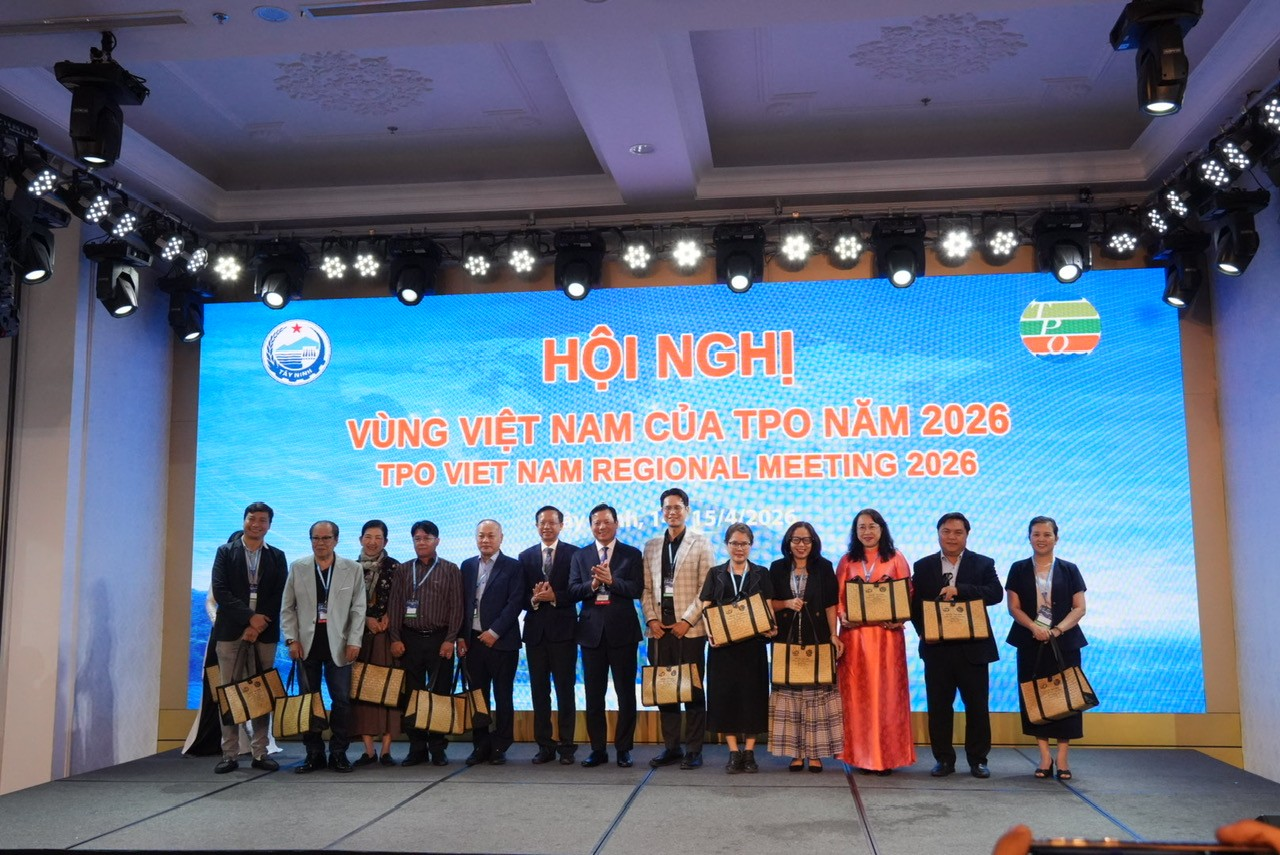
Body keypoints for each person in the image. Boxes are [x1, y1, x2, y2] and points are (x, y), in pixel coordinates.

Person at [910, 512, 1002, 779]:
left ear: (967, 535)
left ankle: (978, 760)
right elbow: (915, 606)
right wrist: (924, 632)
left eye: (958, 532)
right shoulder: (923, 565)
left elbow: (995, 593)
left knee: (977, 707)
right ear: (938, 533)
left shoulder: (983, 563)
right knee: (939, 707)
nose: (951, 537)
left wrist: (960, 590)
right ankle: (943, 759)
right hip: (937, 649)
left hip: (973, 649)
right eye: (946, 532)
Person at [1005, 515, 1088, 780]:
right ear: (1029, 537)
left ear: (1056, 538)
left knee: (1067, 698)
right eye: (1036, 534)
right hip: (1030, 640)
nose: (1041, 539)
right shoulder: (1018, 568)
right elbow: (1013, 607)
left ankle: (1062, 758)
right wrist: (1034, 627)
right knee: (1035, 698)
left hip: (1065, 641)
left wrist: (1057, 630)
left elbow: (1080, 608)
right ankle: (1044, 757)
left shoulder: (1069, 569)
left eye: (1047, 534)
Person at [281, 520, 366, 773]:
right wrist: (291, 639)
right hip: (306, 645)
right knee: (309, 701)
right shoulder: (298, 567)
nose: (321, 543)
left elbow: (358, 608)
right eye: (316, 538)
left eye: (326, 538)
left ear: (336, 540)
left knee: (341, 701)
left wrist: (354, 640)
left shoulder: (353, 568)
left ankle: (338, 753)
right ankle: (313, 754)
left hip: (340, 645)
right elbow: (287, 608)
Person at [836, 508, 915, 775]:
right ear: (855, 532)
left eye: (872, 526)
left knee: (887, 697)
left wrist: (899, 617)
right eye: (861, 527)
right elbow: (837, 598)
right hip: (856, 639)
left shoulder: (896, 558)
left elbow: (908, 593)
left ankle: (886, 757)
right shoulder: (847, 561)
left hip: (887, 639)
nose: (867, 532)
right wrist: (843, 616)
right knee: (858, 699)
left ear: (882, 529)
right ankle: (860, 757)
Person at [209, 504, 288, 773]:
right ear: (244, 520)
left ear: (269, 525)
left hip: (264, 632)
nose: (257, 524)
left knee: (260, 693)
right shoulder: (225, 551)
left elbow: (279, 594)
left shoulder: (277, 556)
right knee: (229, 692)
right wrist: (248, 618)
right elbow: (220, 590)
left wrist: (259, 623)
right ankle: (229, 753)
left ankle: (260, 752)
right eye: (252, 519)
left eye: (263, 520)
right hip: (231, 631)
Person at [641, 488, 714, 770]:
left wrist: (687, 620)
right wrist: (651, 620)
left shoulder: (701, 543)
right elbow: (646, 589)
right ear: (662, 512)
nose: (672, 512)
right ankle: (671, 747)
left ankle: (694, 750)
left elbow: (706, 589)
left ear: (687, 510)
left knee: (693, 691)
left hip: (690, 630)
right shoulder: (651, 546)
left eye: (677, 507)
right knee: (665, 691)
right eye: (667, 508)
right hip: (659, 631)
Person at [569, 503, 645, 768]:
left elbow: (636, 589)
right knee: (593, 696)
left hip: (623, 633)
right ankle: (598, 749)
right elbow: (572, 591)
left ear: (617, 524)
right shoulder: (580, 555)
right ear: (591, 526)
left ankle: (624, 749)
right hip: (591, 634)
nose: (601, 527)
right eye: (596, 523)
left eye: (606, 522)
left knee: (626, 694)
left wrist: (611, 581)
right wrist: (592, 584)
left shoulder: (631, 554)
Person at [767, 520, 843, 773]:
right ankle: (796, 754)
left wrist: (833, 635)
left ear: (814, 542)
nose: (801, 545)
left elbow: (831, 604)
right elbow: (768, 603)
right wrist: (787, 603)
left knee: (817, 697)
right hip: (785, 640)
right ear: (788, 543)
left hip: (817, 638)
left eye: (806, 540)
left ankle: (816, 754)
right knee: (790, 698)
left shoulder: (824, 567)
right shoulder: (777, 568)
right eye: (796, 540)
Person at [700, 522, 775, 774]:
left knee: (753, 699)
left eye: (744, 543)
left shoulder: (762, 573)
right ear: (726, 545)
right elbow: (706, 607)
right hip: (723, 649)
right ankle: (733, 752)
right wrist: (710, 634)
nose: (739, 548)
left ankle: (750, 752)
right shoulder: (716, 573)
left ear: (751, 545)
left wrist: (771, 626)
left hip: (753, 648)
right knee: (725, 700)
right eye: (734, 543)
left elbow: (768, 606)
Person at [387, 520, 462, 767]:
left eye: (426, 538)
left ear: (437, 541)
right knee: (413, 696)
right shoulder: (403, 570)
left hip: (440, 640)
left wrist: (450, 639)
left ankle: (438, 748)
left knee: (440, 695)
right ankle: (416, 748)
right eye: (417, 538)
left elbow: (457, 608)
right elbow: (395, 606)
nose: (421, 542)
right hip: (410, 640)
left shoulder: (450, 569)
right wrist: (395, 638)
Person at [458, 519, 525, 766]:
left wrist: (494, 632)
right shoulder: (467, 566)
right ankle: (480, 744)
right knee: (478, 696)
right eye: (481, 535)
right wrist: (461, 636)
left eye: (490, 535)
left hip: (502, 642)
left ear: (501, 538)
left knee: (503, 695)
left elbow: (515, 603)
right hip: (473, 642)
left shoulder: (514, 566)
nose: (485, 540)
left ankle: (500, 745)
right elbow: (461, 604)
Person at [518, 506, 581, 765]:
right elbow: (519, 596)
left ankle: (567, 746)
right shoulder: (525, 556)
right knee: (539, 692)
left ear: (561, 525)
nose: (547, 527)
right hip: (535, 634)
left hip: (564, 633)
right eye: (542, 523)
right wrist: (534, 599)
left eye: (552, 522)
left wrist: (555, 596)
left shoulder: (574, 554)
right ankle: (544, 746)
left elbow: (578, 591)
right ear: (536, 526)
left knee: (565, 690)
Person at [350, 519, 401, 768]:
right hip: (359, 637)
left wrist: (390, 616)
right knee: (363, 692)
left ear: (386, 541)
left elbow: (403, 599)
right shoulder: (349, 568)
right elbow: (345, 604)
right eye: (368, 537)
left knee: (389, 690)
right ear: (361, 539)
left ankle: (387, 750)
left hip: (387, 636)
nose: (372, 542)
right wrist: (366, 619)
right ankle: (368, 750)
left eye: (378, 538)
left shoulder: (396, 567)